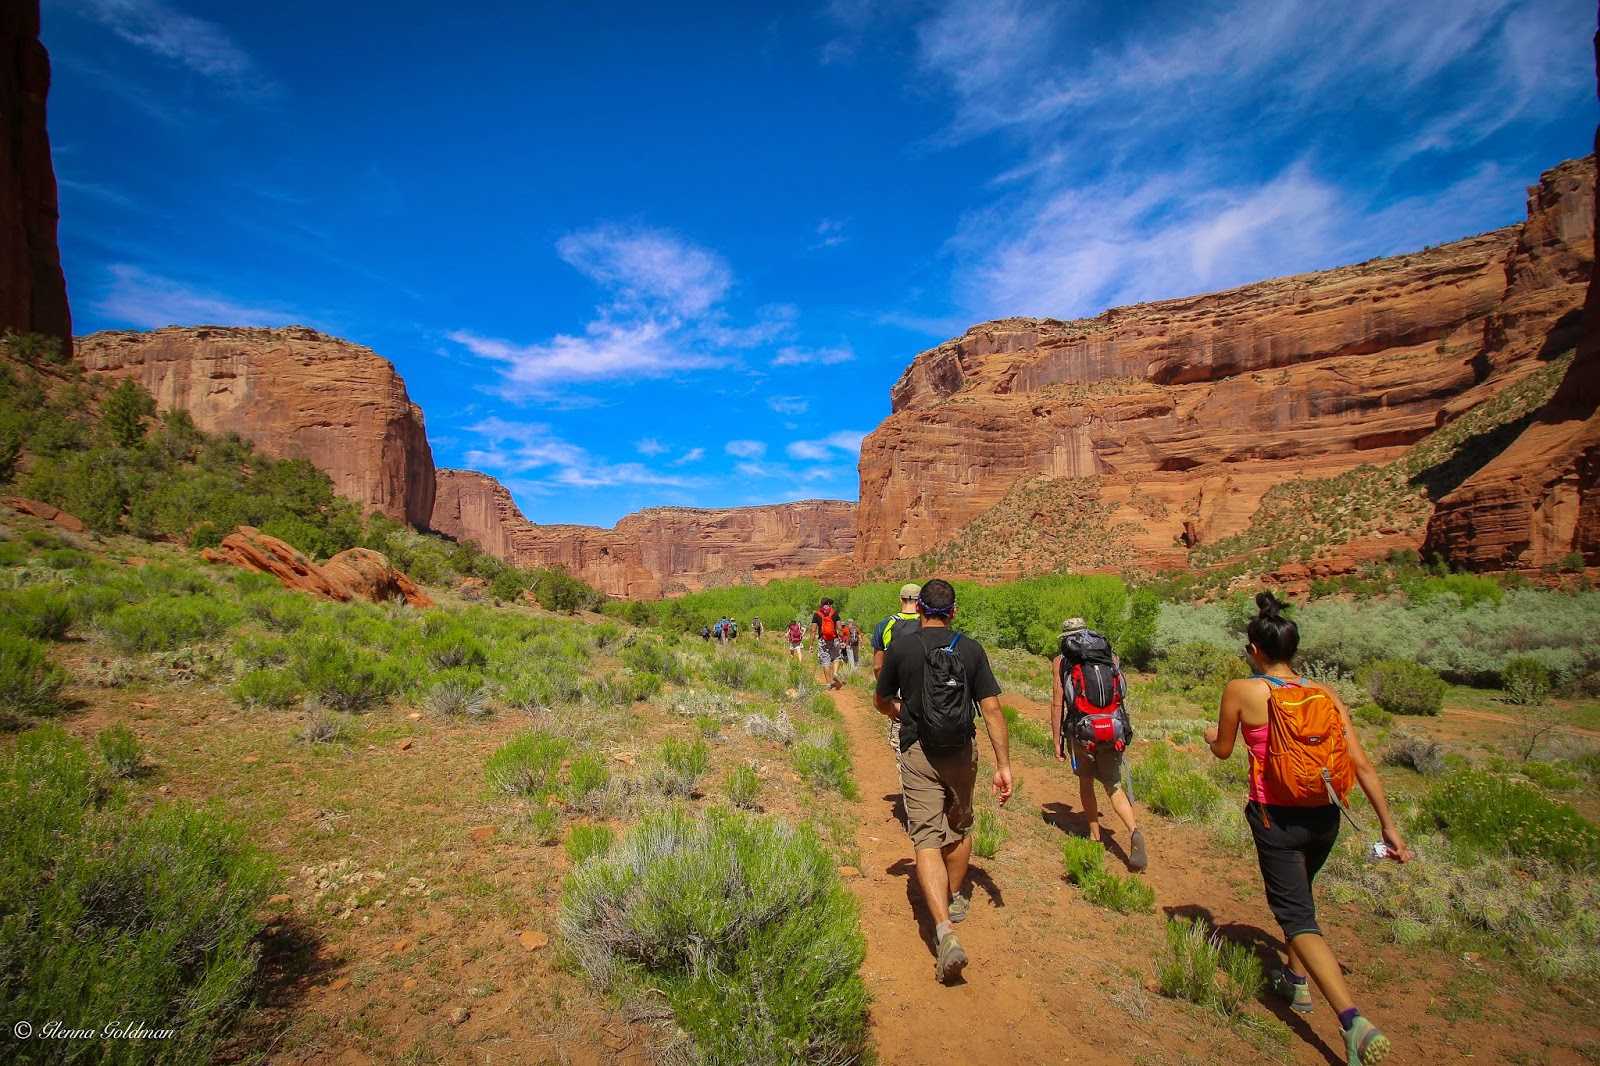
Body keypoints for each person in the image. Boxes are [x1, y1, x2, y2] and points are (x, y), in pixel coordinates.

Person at [1205, 592, 1410, 1066]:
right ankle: (1296, 983)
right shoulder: (1325, 694)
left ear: (1254, 649)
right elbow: (1361, 764)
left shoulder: (1242, 690)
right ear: (1294, 648)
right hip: (1326, 816)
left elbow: (1223, 750)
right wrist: (1388, 826)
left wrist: (1211, 737)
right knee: (1303, 897)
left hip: (1276, 817)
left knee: (1297, 918)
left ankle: (1353, 1021)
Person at [873, 578, 1012, 985]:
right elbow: (992, 710)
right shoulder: (971, 649)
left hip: (918, 750)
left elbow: (881, 700)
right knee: (961, 824)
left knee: (926, 838)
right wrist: (1003, 765)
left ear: (919, 609)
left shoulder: (902, 647)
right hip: (962, 751)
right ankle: (953, 898)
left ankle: (944, 931)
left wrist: (900, 713)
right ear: (953, 612)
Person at [1052, 618, 1147, 871]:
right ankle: (1134, 830)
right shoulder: (1109, 658)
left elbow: (1058, 703)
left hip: (1081, 731)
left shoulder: (1062, 661)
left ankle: (1095, 836)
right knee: (1113, 786)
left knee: (1086, 782)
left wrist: (1057, 739)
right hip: (1112, 730)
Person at [872, 584, 923, 680]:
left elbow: (877, 666)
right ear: (920, 601)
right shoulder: (926, 623)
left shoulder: (885, 624)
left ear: (901, 599)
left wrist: (884, 686)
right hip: (921, 683)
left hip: (894, 681)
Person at [811, 597, 845, 689]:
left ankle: (828, 683)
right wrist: (842, 640)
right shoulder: (834, 613)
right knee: (837, 657)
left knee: (825, 661)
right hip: (834, 639)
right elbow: (840, 628)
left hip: (823, 640)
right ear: (828, 604)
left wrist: (811, 644)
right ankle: (835, 673)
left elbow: (813, 630)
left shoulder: (816, 614)